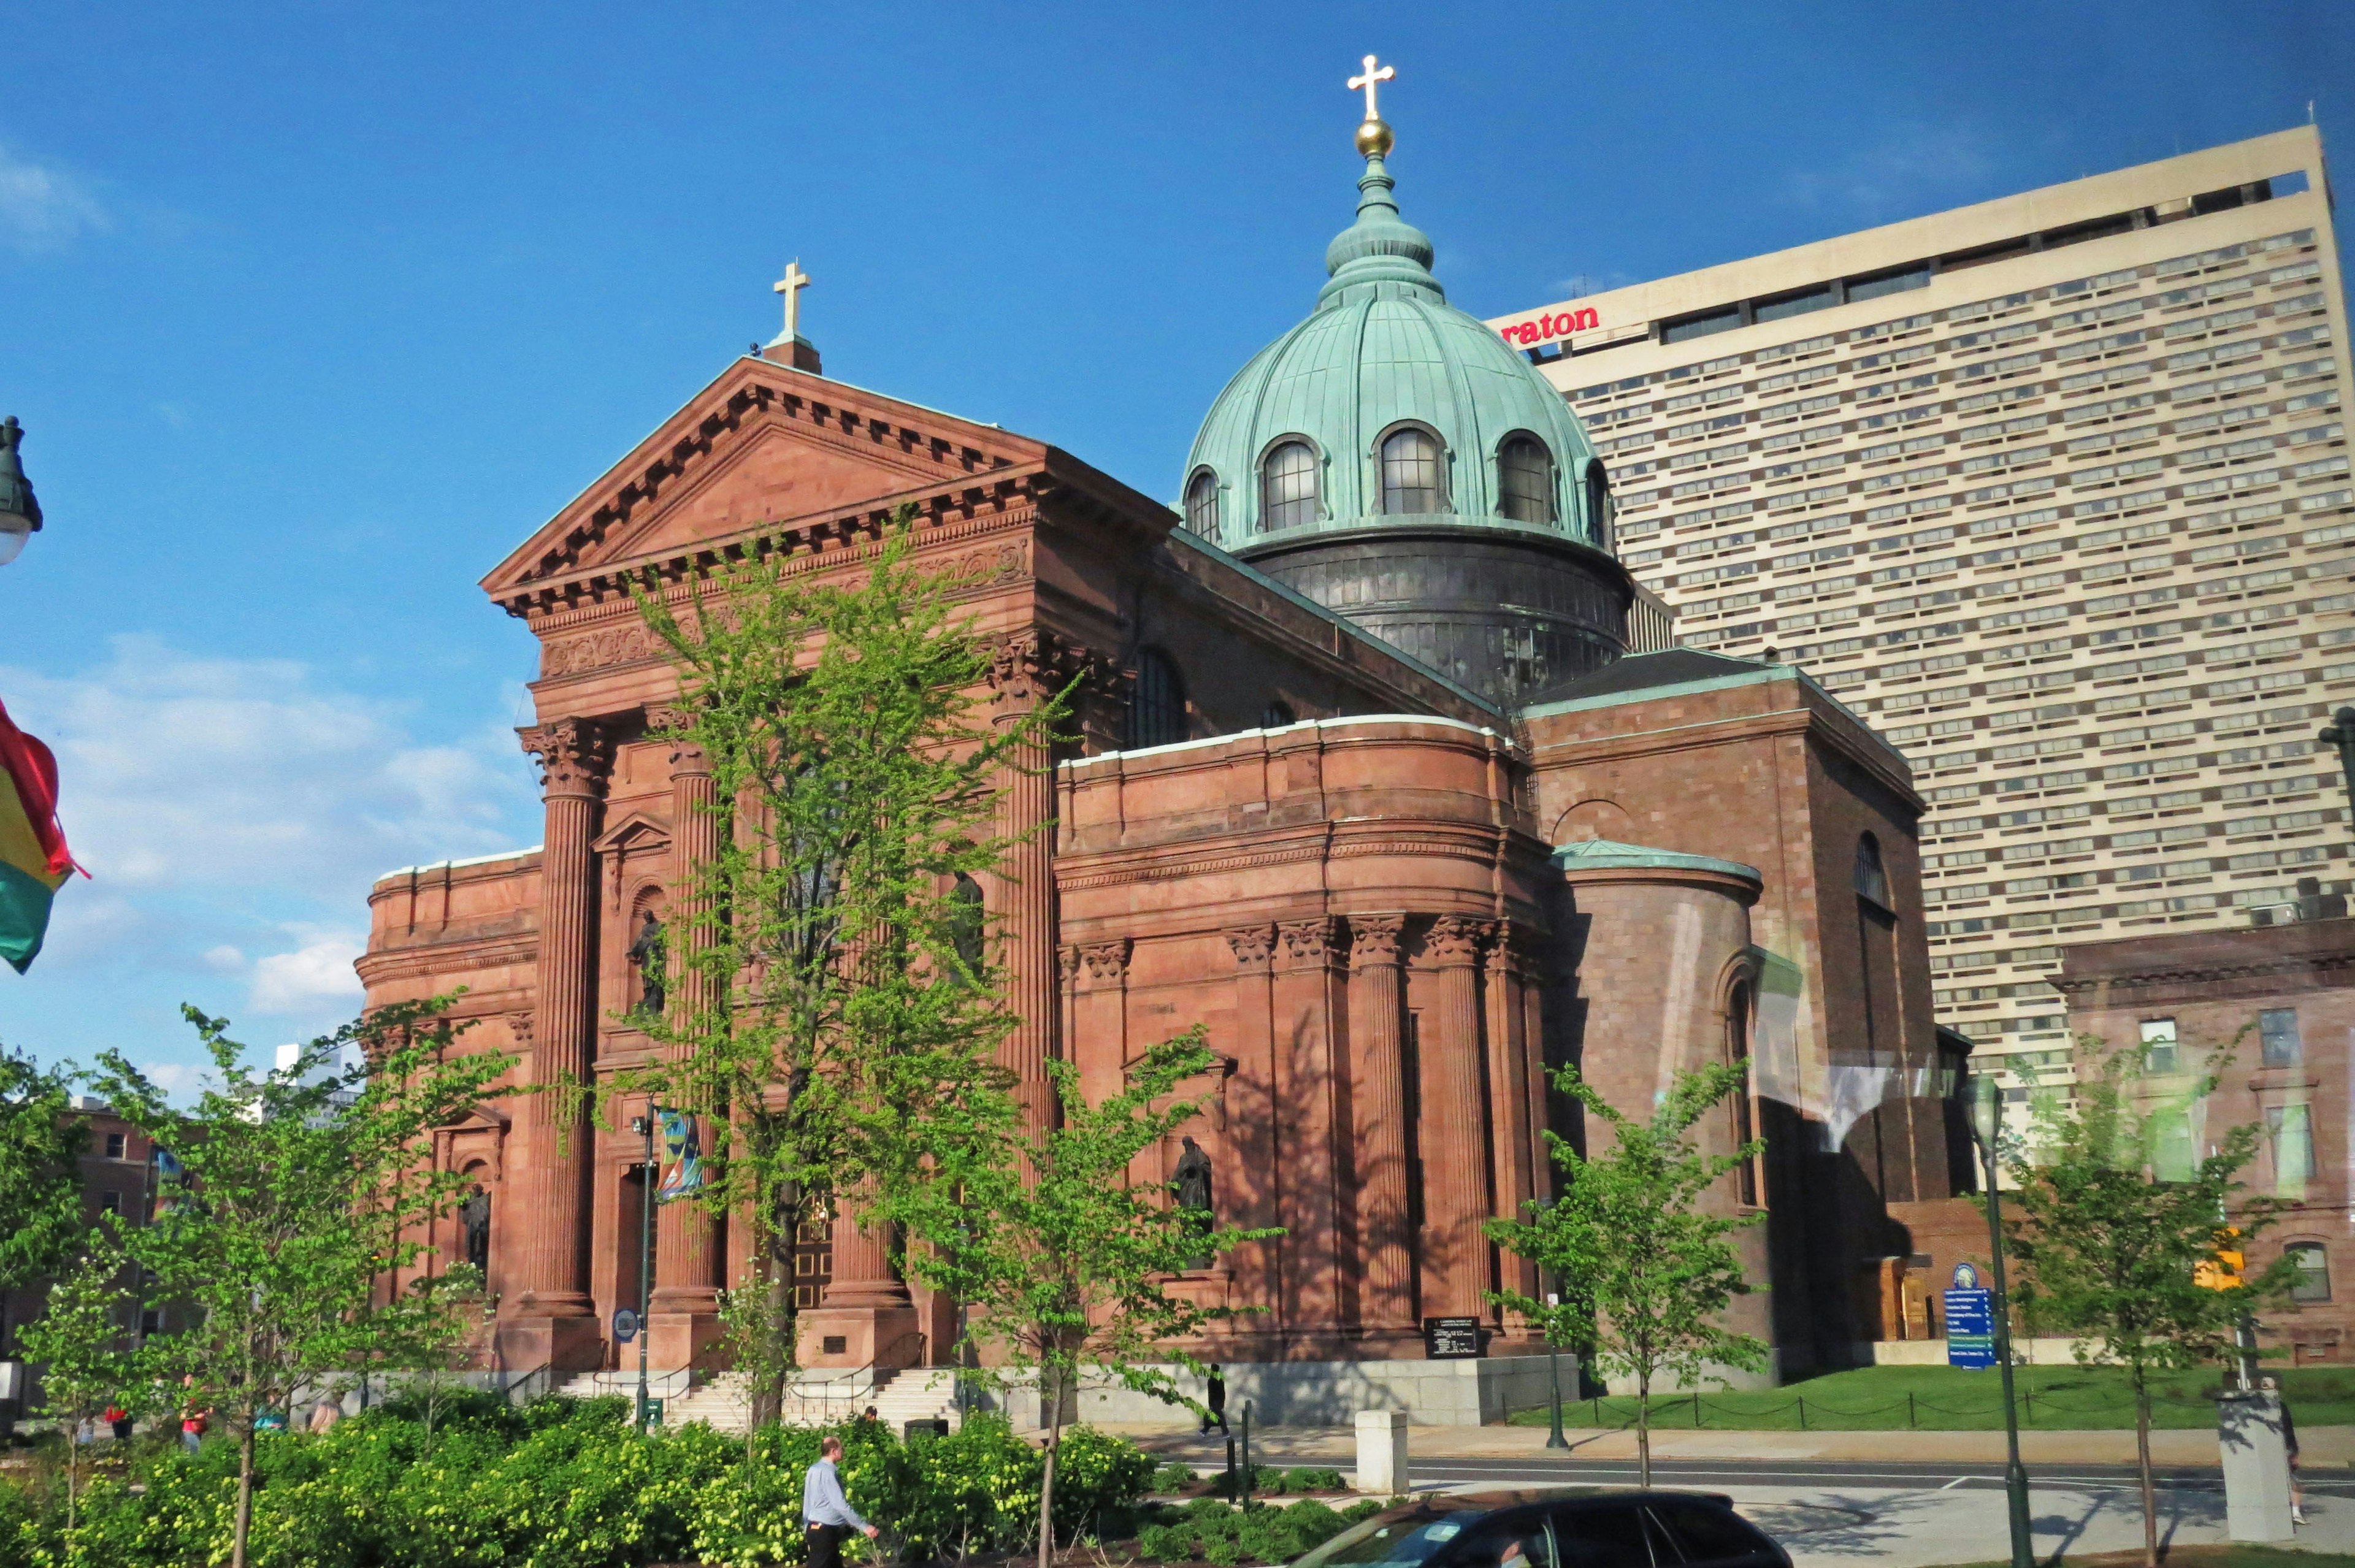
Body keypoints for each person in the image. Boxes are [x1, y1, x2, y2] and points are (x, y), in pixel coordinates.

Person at [803, 1434, 878, 1568]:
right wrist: (864, 1526)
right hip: (825, 1531)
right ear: (834, 1451)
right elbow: (841, 1505)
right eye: (841, 1449)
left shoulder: (813, 1469)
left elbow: (808, 1500)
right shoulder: (829, 1472)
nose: (843, 1451)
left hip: (814, 1528)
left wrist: (806, 1526)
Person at [2263, 1376, 2306, 1524]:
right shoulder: (2265, 1408)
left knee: (2293, 1481)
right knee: (2287, 1482)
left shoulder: (2278, 1407)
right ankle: (2291, 1512)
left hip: (2282, 1449)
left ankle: (2295, 1512)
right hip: (2272, 1451)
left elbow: (2289, 1430)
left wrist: (2294, 1451)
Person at [1201, 1365, 1228, 1435]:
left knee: (1217, 1416)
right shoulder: (1219, 1379)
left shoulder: (1213, 1379)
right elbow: (1222, 1391)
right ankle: (1205, 1430)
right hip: (1218, 1400)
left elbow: (1213, 1392)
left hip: (1215, 1401)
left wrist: (1212, 1402)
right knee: (1213, 1416)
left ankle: (1225, 1432)